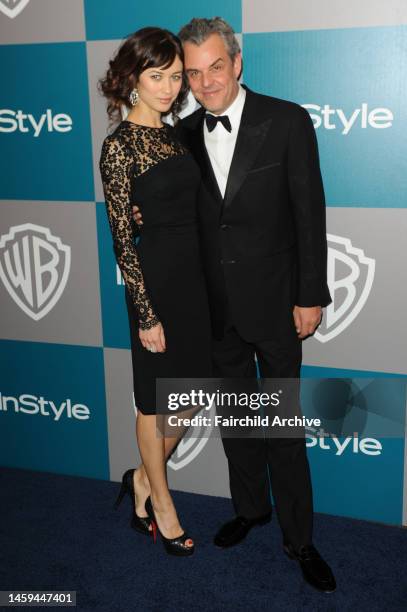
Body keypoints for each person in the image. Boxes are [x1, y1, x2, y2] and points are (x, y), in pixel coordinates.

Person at [134, 17, 336, 592]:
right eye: (192, 73)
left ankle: (301, 539)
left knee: (282, 427)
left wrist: (309, 295)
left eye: (215, 67)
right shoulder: (181, 136)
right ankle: (251, 511)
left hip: (277, 305)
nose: (205, 83)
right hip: (213, 310)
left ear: (237, 62)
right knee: (238, 424)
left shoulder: (287, 120)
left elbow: (309, 214)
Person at [99, 27, 213, 557]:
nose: (169, 88)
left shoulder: (176, 134)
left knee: (189, 395)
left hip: (194, 282)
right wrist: (146, 314)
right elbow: (123, 238)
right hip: (155, 285)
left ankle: (143, 479)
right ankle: (161, 506)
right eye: (156, 77)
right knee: (155, 402)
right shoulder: (119, 146)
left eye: (173, 77)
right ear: (132, 79)